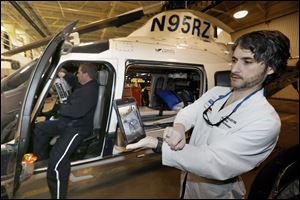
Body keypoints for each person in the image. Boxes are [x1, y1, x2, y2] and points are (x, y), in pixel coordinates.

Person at [126, 30, 290, 199]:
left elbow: (213, 162)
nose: (234, 69)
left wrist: (157, 145)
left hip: (216, 194)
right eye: (234, 60)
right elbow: (190, 112)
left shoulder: (265, 121)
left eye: (247, 62)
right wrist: (179, 128)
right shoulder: (218, 92)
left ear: (270, 68)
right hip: (188, 184)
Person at [34, 63, 99, 199]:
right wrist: (61, 73)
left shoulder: (90, 90)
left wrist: (59, 107)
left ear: (86, 75)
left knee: (56, 165)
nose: (77, 75)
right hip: (67, 122)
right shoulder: (84, 85)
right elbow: (73, 80)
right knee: (40, 128)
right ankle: (41, 158)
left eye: (79, 72)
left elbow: (76, 111)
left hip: (77, 128)